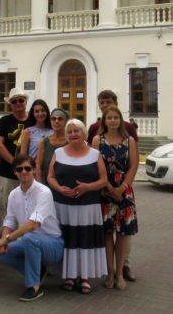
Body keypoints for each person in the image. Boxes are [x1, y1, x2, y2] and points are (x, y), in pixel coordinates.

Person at [47, 119, 108, 294]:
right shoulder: (58, 153)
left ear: (84, 133)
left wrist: (88, 187)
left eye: (77, 131)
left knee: (84, 240)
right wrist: (59, 188)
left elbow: (104, 180)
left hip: (88, 207)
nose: (73, 134)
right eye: (70, 131)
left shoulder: (94, 154)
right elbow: (50, 177)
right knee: (68, 240)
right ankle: (70, 276)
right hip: (63, 206)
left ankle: (85, 276)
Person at [85, 89, 139, 284]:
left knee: (124, 233)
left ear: (120, 119)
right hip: (105, 191)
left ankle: (120, 273)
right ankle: (109, 273)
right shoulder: (97, 139)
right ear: (104, 120)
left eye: (116, 117)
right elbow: (93, 163)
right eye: (110, 118)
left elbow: (134, 165)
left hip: (125, 192)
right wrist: (109, 187)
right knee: (107, 233)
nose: (113, 120)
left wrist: (122, 187)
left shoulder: (129, 139)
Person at [0, 153, 64, 302]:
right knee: (3, 253)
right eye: (19, 169)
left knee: (28, 237)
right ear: (14, 172)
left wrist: (7, 238)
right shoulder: (13, 194)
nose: (24, 172)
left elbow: (33, 224)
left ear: (33, 169)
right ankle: (38, 272)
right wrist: (3, 240)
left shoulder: (44, 192)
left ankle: (34, 287)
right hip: (31, 240)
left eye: (28, 168)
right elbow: (9, 222)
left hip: (53, 245)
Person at [0, 87, 30, 225]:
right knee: (6, 207)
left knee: (28, 208)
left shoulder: (32, 120)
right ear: (10, 104)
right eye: (14, 101)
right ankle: (6, 240)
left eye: (21, 100)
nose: (18, 103)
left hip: (29, 173)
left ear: (26, 102)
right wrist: (15, 163)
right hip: (7, 173)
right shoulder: (4, 121)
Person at [36, 108, 68, 184]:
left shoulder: (70, 142)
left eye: (60, 119)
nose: (56, 121)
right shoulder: (44, 142)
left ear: (65, 122)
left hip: (66, 186)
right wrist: (41, 187)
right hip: (47, 185)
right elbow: (38, 166)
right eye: (53, 119)